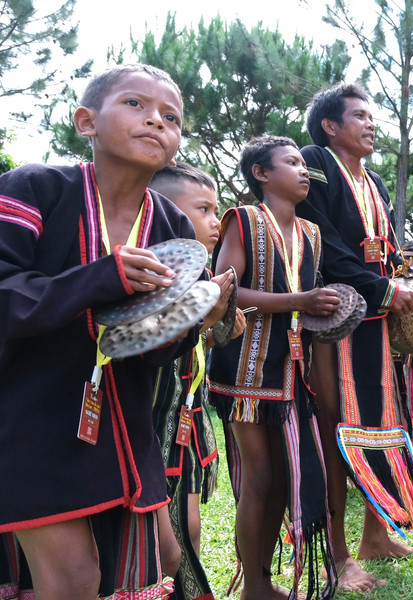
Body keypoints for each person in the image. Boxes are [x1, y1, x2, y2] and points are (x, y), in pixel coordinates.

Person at [0, 64, 202, 599]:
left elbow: (154, 349)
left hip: (124, 424)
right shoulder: (34, 188)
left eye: (171, 117)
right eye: (135, 104)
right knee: (71, 579)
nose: (156, 121)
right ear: (86, 121)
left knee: (161, 556)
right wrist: (102, 276)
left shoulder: (171, 226)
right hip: (28, 419)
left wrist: (193, 317)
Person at [297, 83, 413, 593]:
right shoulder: (314, 161)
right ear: (330, 125)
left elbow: (385, 247)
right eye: (360, 116)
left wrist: (400, 279)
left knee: (384, 425)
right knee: (337, 431)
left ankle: (378, 534)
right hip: (336, 317)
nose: (372, 124)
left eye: (373, 117)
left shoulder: (371, 179)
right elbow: (319, 237)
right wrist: (380, 287)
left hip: (376, 319)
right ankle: (337, 554)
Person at [208, 136, 340, 599]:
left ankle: (262, 577)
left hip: (292, 369)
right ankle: (256, 587)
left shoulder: (312, 234)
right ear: (261, 174)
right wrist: (300, 302)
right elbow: (227, 292)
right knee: (261, 476)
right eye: (292, 162)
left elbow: (311, 298)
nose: (304, 170)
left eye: (305, 163)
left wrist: (327, 309)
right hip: (245, 368)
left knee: (285, 476)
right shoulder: (243, 221)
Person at [148, 163, 248, 600]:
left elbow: (214, 334)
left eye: (217, 209)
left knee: (187, 528)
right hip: (148, 424)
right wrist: (208, 317)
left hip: (186, 421)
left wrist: (221, 319)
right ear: (164, 211)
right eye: (204, 209)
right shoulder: (149, 273)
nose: (215, 221)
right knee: (156, 543)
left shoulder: (205, 275)